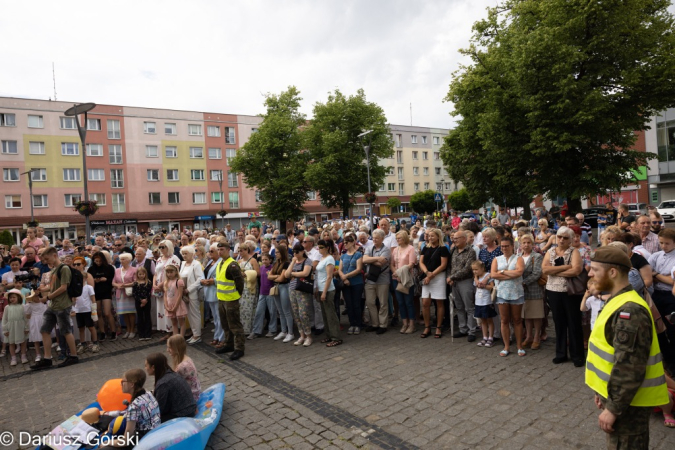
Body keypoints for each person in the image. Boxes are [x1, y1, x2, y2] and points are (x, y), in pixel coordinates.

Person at [586, 246, 669, 449]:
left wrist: (613, 408)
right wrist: (602, 392)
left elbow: (629, 367)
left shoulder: (630, 310)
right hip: (622, 399)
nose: (589, 274)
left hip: (630, 406)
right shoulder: (618, 301)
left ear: (612, 272)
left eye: (595, 269)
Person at [542, 226, 585, 367]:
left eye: (565, 238)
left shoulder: (574, 252)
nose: (561, 239)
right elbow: (545, 269)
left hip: (570, 292)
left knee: (574, 323)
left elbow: (576, 270)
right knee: (559, 323)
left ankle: (577, 355)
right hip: (553, 291)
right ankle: (560, 354)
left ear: (571, 240)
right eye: (559, 236)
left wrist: (555, 271)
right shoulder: (550, 251)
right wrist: (566, 267)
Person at [30, 247, 79, 369]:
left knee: (66, 330)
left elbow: (63, 287)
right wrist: (42, 289)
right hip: (53, 306)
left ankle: (73, 356)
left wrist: (47, 297)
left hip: (62, 305)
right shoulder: (54, 270)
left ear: (54, 255)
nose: (46, 261)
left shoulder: (64, 268)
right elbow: (53, 286)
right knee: (44, 330)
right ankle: (47, 358)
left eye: (47, 258)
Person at [97, 368, 161, 450]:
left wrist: (108, 442)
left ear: (131, 384)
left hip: (144, 441)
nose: (121, 384)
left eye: (123, 382)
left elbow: (126, 441)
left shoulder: (134, 406)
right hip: (155, 433)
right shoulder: (148, 394)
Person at [491, 236, 526, 357]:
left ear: (512, 246)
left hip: (516, 292)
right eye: (502, 246)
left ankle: (519, 346)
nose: (504, 248)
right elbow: (493, 274)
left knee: (517, 320)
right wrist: (510, 275)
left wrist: (503, 272)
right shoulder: (497, 259)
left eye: (507, 246)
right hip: (501, 293)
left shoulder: (519, 258)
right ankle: (506, 346)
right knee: (504, 320)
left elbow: (519, 272)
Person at [214, 241, 246, 360]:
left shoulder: (232, 264)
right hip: (222, 299)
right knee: (225, 324)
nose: (219, 251)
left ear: (228, 250)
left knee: (235, 325)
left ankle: (239, 348)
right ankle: (229, 344)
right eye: (218, 249)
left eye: (222, 249)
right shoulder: (220, 263)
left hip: (231, 299)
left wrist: (238, 294)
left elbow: (239, 282)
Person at [145, 352, 196, 422]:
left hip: (184, 414)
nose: (145, 368)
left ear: (153, 367)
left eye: (146, 366)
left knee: (148, 420)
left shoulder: (163, 383)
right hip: (190, 408)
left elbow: (159, 409)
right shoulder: (171, 374)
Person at [419, 228, 450, 338]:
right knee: (425, 303)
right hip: (427, 276)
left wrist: (432, 275)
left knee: (439, 303)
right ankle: (427, 327)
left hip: (438, 277)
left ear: (438, 236)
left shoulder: (443, 249)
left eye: (432, 236)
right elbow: (421, 262)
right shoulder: (425, 248)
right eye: (429, 236)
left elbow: (443, 265)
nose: (430, 238)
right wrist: (427, 273)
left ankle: (438, 327)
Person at [448, 230, 477, 341]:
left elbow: (467, 268)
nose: (454, 240)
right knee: (459, 307)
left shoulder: (471, 251)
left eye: (457, 238)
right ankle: (462, 329)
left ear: (464, 239)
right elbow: (449, 266)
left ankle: (472, 331)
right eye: (453, 238)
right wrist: (449, 276)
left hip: (465, 281)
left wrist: (452, 277)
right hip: (454, 282)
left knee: (469, 307)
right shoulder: (453, 250)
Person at [363, 229, 392, 335]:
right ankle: (374, 324)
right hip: (370, 280)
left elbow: (381, 264)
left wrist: (370, 259)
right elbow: (364, 260)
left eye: (377, 238)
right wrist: (377, 258)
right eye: (373, 237)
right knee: (370, 302)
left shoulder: (387, 250)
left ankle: (383, 325)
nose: (374, 239)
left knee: (383, 303)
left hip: (382, 280)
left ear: (382, 239)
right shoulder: (369, 248)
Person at [285, 243, 314, 347]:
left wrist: (293, 274)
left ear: (302, 251)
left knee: (303, 313)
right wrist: (292, 262)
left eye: (297, 251)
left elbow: (305, 273)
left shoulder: (307, 261)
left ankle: (308, 335)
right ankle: (302, 335)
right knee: (296, 313)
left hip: (302, 290)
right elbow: (286, 274)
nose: (295, 254)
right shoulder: (293, 261)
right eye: (294, 252)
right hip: (292, 289)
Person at [316, 239, 342, 347]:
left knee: (331, 314)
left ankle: (336, 337)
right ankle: (329, 335)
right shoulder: (322, 258)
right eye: (319, 247)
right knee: (325, 314)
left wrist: (324, 292)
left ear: (327, 248)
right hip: (321, 288)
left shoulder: (330, 259)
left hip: (328, 289)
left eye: (321, 247)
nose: (319, 249)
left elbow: (329, 276)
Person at [391, 230, 417, 334]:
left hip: (406, 278)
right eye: (397, 238)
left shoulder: (410, 249)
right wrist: (396, 273)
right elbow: (391, 264)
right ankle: (404, 323)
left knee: (408, 302)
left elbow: (411, 264)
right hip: (396, 278)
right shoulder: (395, 250)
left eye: (399, 238)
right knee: (400, 302)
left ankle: (412, 324)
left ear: (405, 238)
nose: (398, 240)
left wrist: (401, 273)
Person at [154, 240, 181, 339]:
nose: (161, 249)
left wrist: (161, 284)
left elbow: (173, 274)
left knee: (169, 307)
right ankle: (166, 330)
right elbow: (156, 273)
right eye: (160, 247)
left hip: (169, 287)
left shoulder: (174, 258)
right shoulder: (159, 259)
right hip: (158, 288)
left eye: (163, 247)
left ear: (169, 247)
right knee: (161, 308)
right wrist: (154, 285)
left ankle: (172, 331)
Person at [268, 244, 294, 343]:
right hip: (277, 287)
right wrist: (276, 276)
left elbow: (282, 278)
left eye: (278, 252)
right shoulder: (276, 263)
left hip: (284, 287)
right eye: (275, 252)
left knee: (286, 310)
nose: (276, 254)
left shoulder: (286, 263)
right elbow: (269, 277)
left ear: (282, 253)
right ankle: (283, 331)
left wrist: (274, 276)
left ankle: (290, 332)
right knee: (280, 311)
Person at [72, 257, 99, 354]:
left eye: (78, 264)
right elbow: (73, 299)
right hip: (79, 310)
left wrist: (94, 310)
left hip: (87, 309)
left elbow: (93, 299)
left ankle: (95, 343)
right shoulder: (76, 288)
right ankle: (82, 343)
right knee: (81, 328)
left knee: (91, 327)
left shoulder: (88, 287)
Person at [179, 246, 205, 344]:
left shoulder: (196, 264)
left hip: (192, 292)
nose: (184, 255)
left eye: (186, 253)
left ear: (191, 254)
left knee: (195, 314)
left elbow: (200, 279)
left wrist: (189, 289)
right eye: (183, 254)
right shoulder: (183, 264)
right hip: (184, 293)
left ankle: (197, 335)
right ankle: (194, 333)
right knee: (189, 314)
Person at [88, 251, 116, 342]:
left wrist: (106, 279)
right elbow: (89, 281)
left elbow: (113, 280)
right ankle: (103, 332)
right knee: (99, 313)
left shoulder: (109, 268)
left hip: (106, 291)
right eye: (96, 261)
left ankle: (113, 331)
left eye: (100, 261)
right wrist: (95, 281)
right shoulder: (91, 269)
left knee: (107, 313)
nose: (98, 263)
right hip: (96, 292)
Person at [249, 253, 278, 339]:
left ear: (270, 260)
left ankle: (272, 330)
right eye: (263, 260)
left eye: (266, 259)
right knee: (259, 312)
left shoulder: (273, 268)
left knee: (272, 312)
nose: (264, 261)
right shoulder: (261, 268)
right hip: (262, 293)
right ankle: (256, 331)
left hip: (270, 293)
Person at [201, 244, 224, 347]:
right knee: (215, 317)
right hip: (209, 291)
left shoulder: (221, 262)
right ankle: (216, 336)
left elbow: (223, 277)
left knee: (220, 317)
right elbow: (205, 273)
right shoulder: (210, 262)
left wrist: (213, 281)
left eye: (211, 251)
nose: (209, 253)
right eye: (209, 251)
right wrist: (203, 280)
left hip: (216, 291)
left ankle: (222, 338)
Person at [167, 335, 201, 402]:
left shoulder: (181, 366)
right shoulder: (187, 358)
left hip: (191, 396)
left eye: (170, 348)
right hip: (196, 391)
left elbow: (173, 384)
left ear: (176, 348)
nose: (167, 350)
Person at [113, 253, 137, 339]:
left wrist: (125, 285)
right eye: (121, 259)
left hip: (129, 294)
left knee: (131, 312)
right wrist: (117, 285)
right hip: (120, 294)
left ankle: (132, 330)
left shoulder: (134, 269)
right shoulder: (117, 270)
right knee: (124, 313)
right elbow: (113, 282)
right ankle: (127, 330)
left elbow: (135, 281)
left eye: (124, 259)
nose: (121, 261)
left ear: (129, 260)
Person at [472, 260, 496, 347]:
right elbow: (476, 286)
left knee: (489, 320)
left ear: (482, 268)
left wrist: (484, 286)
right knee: (483, 321)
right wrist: (476, 278)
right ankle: (484, 337)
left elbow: (491, 286)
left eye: (476, 269)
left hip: (486, 301)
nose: (475, 271)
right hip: (479, 301)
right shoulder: (476, 277)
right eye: (473, 270)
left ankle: (491, 338)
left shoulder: (487, 276)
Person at [2, 289, 28, 366]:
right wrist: (5, 329)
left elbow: (25, 318)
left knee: (23, 342)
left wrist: (26, 328)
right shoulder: (7, 307)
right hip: (11, 328)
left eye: (14, 297)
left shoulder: (22, 306)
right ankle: (13, 358)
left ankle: (23, 356)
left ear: (19, 298)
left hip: (20, 327)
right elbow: (4, 319)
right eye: (10, 298)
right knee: (11, 343)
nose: (12, 299)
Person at [163, 262, 187, 337]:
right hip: (170, 305)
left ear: (176, 272)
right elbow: (165, 295)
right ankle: (175, 337)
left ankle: (181, 338)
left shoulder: (179, 281)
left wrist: (175, 307)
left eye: (171, 272)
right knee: (174, 323)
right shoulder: (166, 282)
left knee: (181, 322)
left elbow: (180, 294)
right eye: (168, 272)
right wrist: (166, 306)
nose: (169, 274)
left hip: (177, 305)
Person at [133, 267, 153, 341]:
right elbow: (134, 294)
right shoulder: (135, 283)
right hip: (138, 302)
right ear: (137, 274)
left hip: (147, 302)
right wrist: (140, 300)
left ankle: (148, 333)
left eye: (143, 274)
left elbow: (149, 292)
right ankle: (141, 334)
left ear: (145, 274)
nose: (141, 275)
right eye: (140, 274)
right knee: (140, 317)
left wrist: (145, 300)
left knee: (147, 316)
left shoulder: (148, 282)